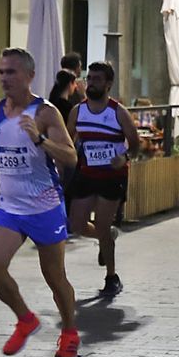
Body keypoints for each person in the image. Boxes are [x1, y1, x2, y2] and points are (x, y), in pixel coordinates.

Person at [0, 48, 82, 357]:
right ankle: (25, 318)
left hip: (44, 206)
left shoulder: (45, 112)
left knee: (55, 277)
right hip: (10, 206)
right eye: (1, 72)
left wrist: (40, 140)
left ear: (29, 76)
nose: (5, 78)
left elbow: (71, 157)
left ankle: (70, 332)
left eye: (12, 72)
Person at [67, 61, 141, 296]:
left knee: (101, 222)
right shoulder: (78, 111)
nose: (92, 83)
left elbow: (136, 143)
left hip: (112, 176)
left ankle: (111, 276)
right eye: (90, 78)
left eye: (98, 79)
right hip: (87, 174)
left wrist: (125, 156)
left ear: (108, 84)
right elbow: (67, 141)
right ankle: (106, 236)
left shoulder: (117, 112)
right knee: (76, 224)